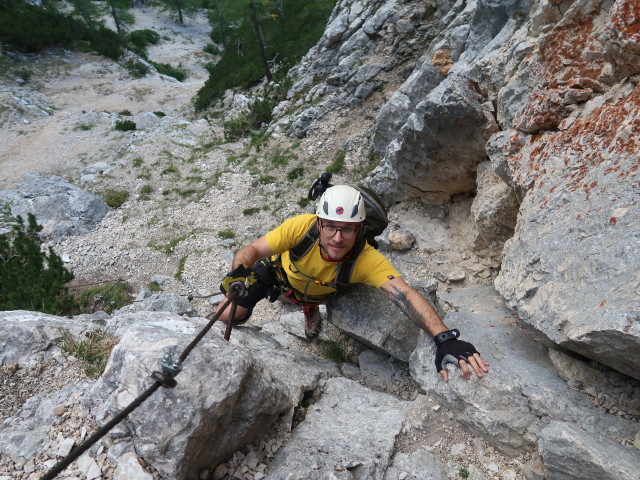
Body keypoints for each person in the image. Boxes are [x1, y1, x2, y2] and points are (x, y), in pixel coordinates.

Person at [218, 185, 489, 382]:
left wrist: (444, 338)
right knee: (228, 314)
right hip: (278, 275)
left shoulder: (366, 260)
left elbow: (405, 295)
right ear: (319, 223)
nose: (337, 238)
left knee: (313, 297)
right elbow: (251, 251)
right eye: (331, 227)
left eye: (347, 229)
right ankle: (300, 308)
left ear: (359, 230)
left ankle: (308, 308)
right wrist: (239, 274)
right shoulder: (301, 227)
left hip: (319, 293)